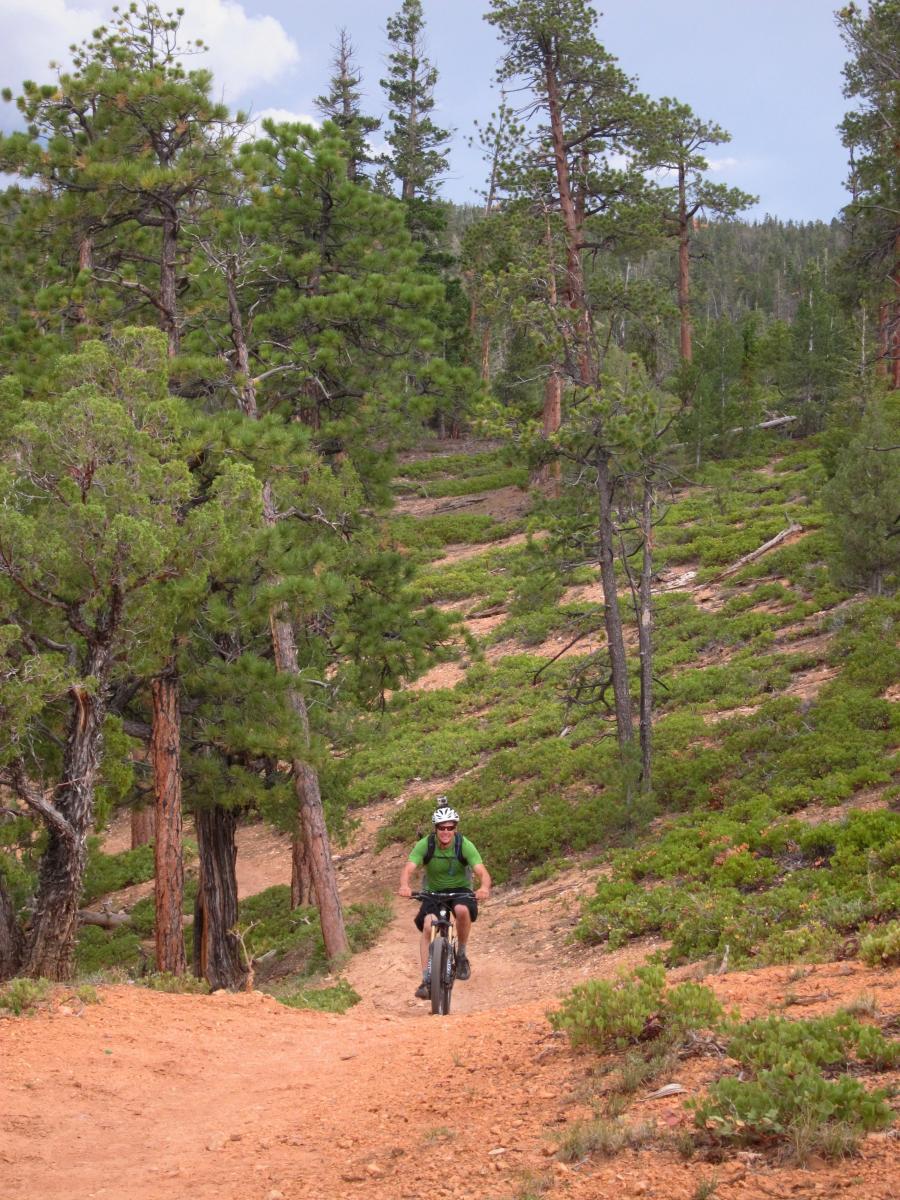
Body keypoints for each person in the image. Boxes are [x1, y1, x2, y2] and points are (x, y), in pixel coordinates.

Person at [398, 801, 491, 1000]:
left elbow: (482, 871)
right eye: (441, 828)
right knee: (427, 925)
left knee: (462, 910)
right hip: (433, 892)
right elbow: (409, 867)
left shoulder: (463, 844)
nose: (446, 832)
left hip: (460, 890)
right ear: (436, 829)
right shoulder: (426, 844)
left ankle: (462, 955)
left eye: (450, 828)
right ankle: (426, 979)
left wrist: (483, 887)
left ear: (455, 829)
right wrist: (405, 885)